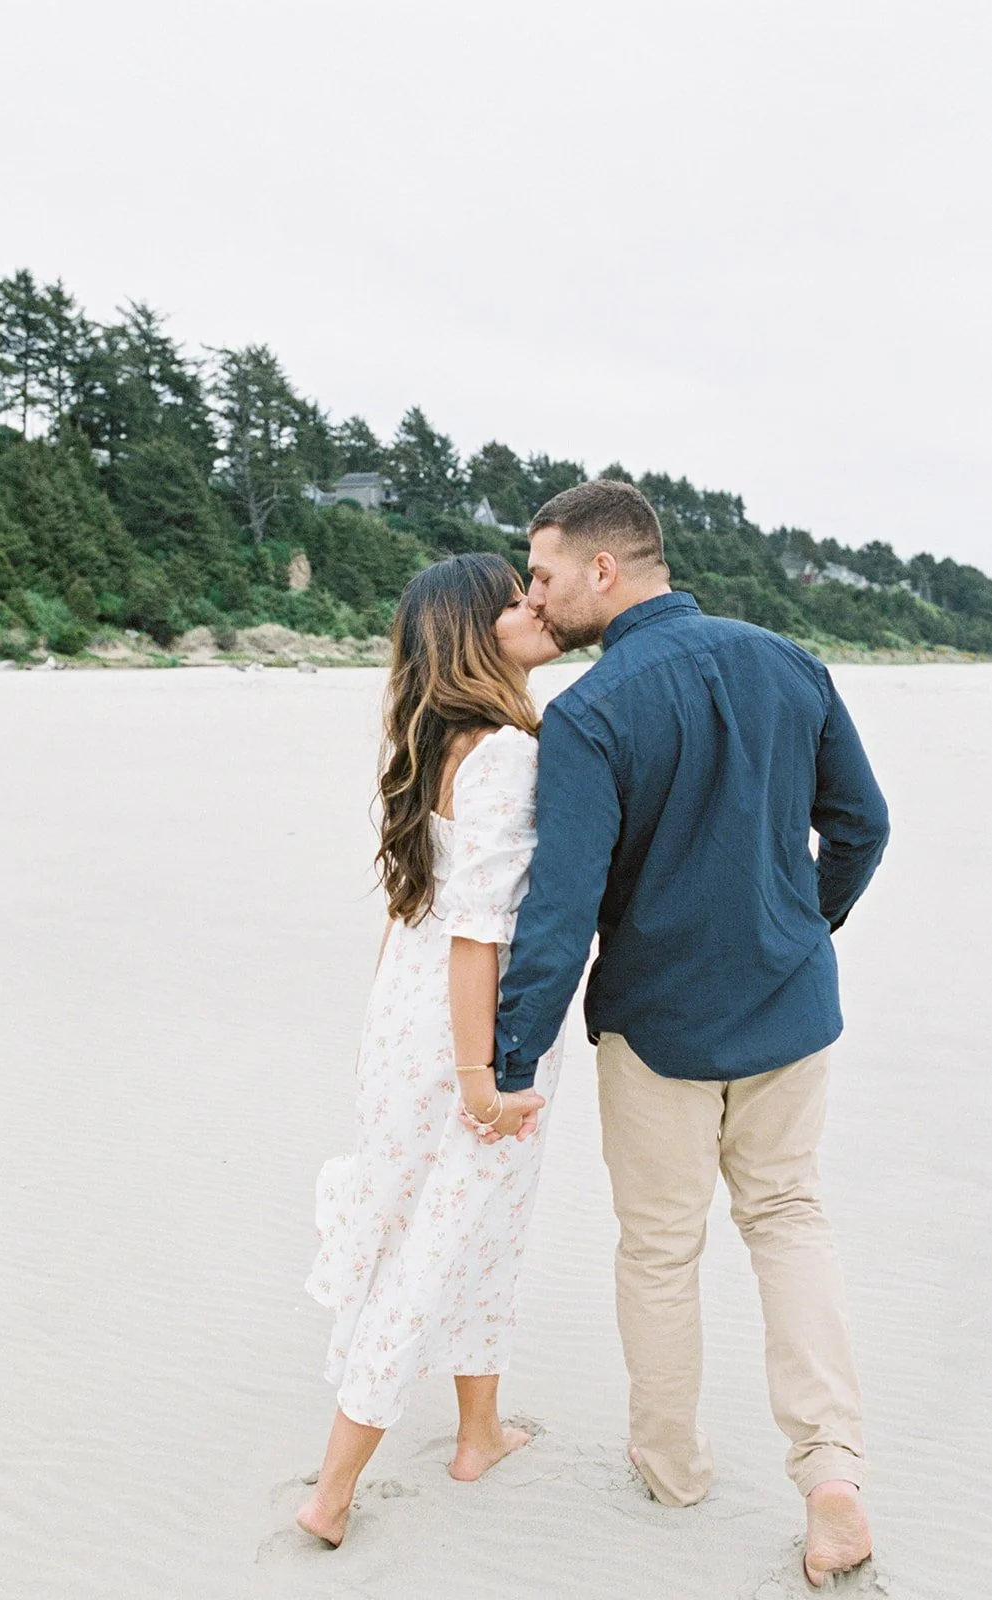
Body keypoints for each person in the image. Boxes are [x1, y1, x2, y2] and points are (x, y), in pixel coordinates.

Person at [485, 479, 889, 1590]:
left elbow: (560, 912)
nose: (541, 592)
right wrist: (803, 923)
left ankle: (671, 1467)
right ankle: (831, 1475)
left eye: (548, 571)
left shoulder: (590, 711)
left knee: (660, 1249)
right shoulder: (786, 661)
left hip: (660, 1024)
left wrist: (511, 1058)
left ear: (603, 571)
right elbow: (861, 823)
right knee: (789, 1219)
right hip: (789, 1007)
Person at [297, 553, 563, 1547]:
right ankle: (330, 1493)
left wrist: (400, 1041)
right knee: (437, 1244)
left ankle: (479, 1428)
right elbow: (477, 930)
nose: (531, 606)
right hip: (466, 1024)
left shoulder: (433, 738)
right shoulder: (501, 751)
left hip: (404, 1012)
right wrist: (479, 1079)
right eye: (510, 600)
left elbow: (410, 910)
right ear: (472, 634)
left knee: (478, 1225)